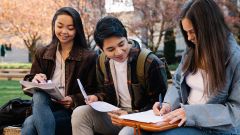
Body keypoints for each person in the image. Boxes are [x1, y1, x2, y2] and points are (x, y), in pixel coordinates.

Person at [146, 0, 240, 135]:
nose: (189, 38)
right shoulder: (191, 51)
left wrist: (191, 113)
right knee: (129, 131)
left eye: (192, 32)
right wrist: (168, 105)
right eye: (186, 32)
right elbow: (178, 84)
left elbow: (236, 110)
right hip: (186, 119)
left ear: (209, 27)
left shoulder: (235, 58)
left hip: (215, 128)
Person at [71, 16, 168, 135]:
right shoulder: (102, 61)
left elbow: (161, 104)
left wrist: (129, 115)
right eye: (110, 49)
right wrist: (97, 97)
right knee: (80, 113)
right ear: (102, 50)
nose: (119, 52)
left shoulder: (149, 62)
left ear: (126, 38)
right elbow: (104, 92)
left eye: (121, 44)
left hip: (142, 120)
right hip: (116, 116)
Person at [21, 7, 97, 135]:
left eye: (70, 28)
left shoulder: (88, 57)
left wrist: (74, 99)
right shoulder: (43, 53)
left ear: (77, 29)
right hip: (44, 107)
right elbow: (29, 86)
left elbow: (94, 90)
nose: (64, 31)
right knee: (39, 95)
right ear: (53, 26)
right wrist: (34, 79)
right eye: (60, 26)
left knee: (30, 124)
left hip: (70, 112)